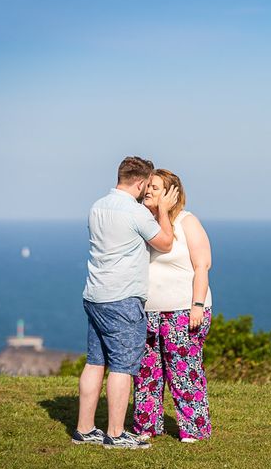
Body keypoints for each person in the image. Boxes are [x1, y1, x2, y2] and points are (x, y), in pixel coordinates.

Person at [73, 157, 179, 449]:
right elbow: (166, 242)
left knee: (95, 362)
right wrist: (165, 211)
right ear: (141, 182)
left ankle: (85, 429)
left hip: (94, 295)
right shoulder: (135, 212)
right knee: (121, 366)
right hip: (121, 299)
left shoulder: (97, 206)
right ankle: (116, 434)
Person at [133, 169, 213, 442]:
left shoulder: (187, 221)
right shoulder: (144, 223)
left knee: (184, 371)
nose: (148, 191)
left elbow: (202, 265)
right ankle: (146, 425)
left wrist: (198, 305)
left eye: (155, 187)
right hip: (148, 311)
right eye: (148, 186)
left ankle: (194, 429)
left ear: (171, 193)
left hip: (182, 309)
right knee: (147, 371)